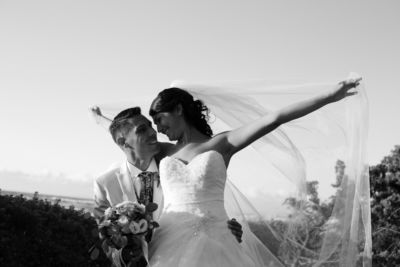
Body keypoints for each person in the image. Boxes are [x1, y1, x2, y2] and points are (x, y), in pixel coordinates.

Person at [146, 78, 363, 266]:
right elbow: (126, 136)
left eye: (159, 120)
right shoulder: (160, 151)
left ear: (178, 110)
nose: (157, 129)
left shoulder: (222, 143)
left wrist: (329, 96)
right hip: (169, 238)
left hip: (219, 239)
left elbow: (274, 118)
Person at [92, 106, 243, 266]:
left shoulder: (176, 171)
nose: (153, 132)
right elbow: (106, 242)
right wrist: (126, 256)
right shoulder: (105, 184)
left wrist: (223, 230)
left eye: (151, 125)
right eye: (143, 129)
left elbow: (202, 204)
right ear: (123, 142)